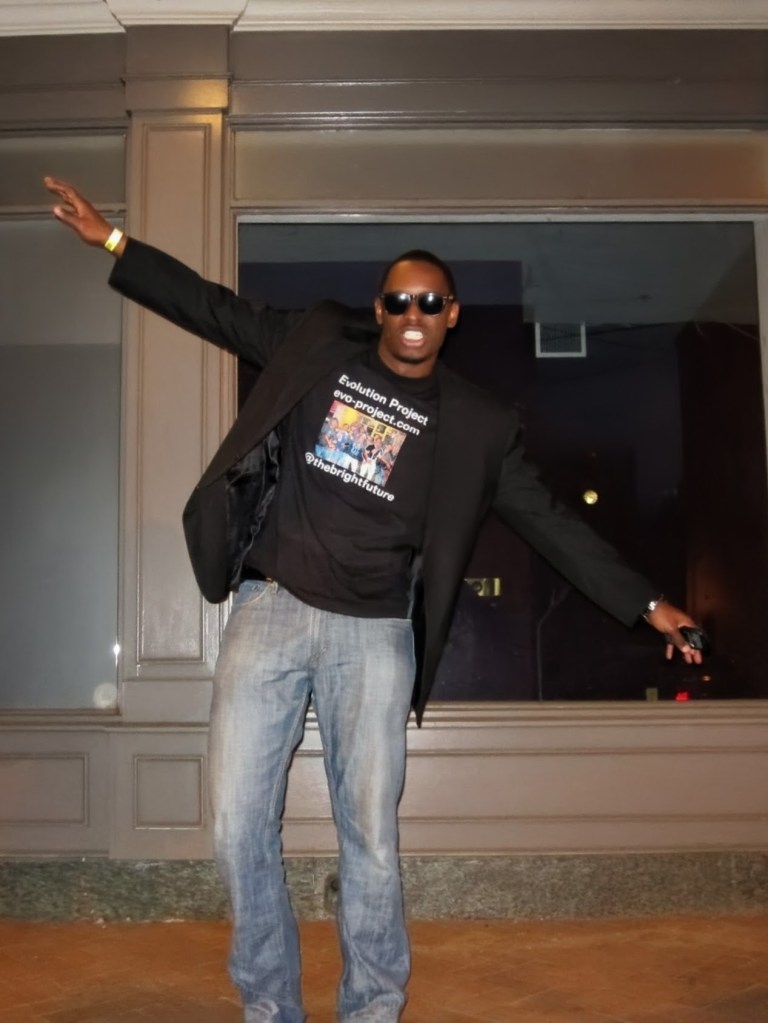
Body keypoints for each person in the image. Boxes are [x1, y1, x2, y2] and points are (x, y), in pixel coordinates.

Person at [45, 175, 704, 1023]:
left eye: (430, 301)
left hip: (374, 636)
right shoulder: (316, 346)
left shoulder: (476, 426)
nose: (413, 313)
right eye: (398, 300)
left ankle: (372, 1007)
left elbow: (552, 524)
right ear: (380, 309)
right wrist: (113, 242)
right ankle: (270, 1004)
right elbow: (212, 309)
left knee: (372, 840)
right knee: (236, 826)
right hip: (271, 611)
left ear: (451, 314)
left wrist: (651, 606)